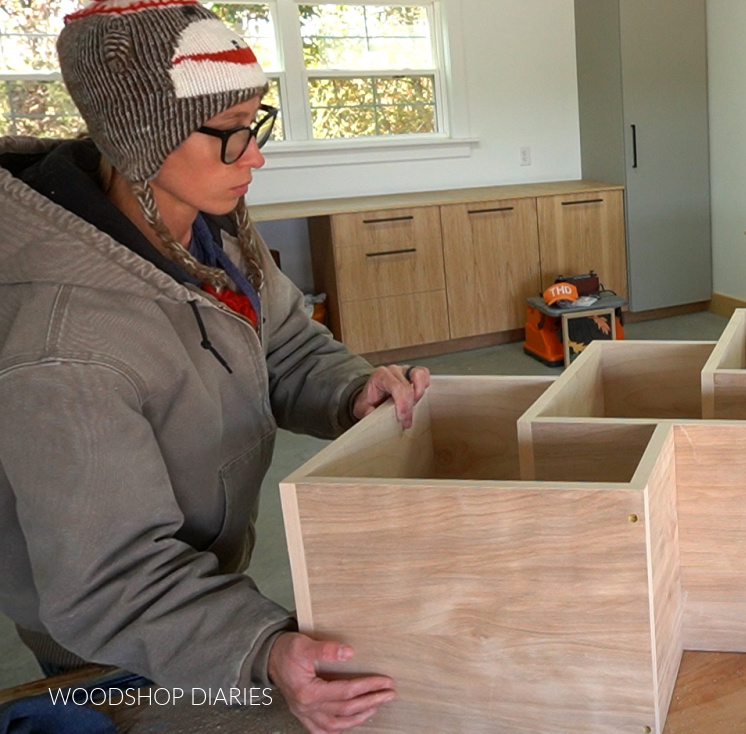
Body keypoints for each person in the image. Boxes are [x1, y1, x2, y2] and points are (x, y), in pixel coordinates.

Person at [0, 1, 427, 731]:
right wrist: (259, 647)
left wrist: (353, 391)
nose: (254, 156)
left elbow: (282, 340)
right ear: (142, 144)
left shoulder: (206, 231)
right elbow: (110, 581)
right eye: (229, 135)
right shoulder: (64, 346)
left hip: (199, 581)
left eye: (253, 126)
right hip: (116, 641)